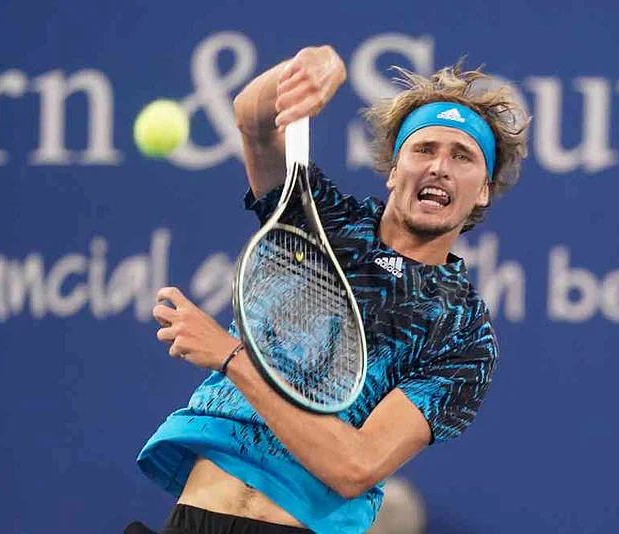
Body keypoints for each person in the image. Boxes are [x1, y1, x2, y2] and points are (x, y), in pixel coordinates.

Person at [132, 45, 529, 534]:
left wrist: (232, 357)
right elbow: (253, 121)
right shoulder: (317, 219)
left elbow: (354, 467)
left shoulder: (464, 334)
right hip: (193, 518)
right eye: (424, 149)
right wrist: (308, 67)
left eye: (462, 156)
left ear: (484, 189)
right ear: (394, 170)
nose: (439, 167)